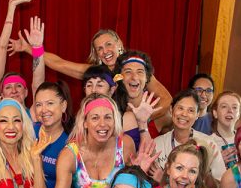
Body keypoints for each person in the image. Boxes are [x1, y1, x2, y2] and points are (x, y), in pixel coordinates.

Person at [13, 28, 173, 129]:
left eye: (109, 44)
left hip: (141, 128)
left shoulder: (135, 69)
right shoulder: (96, 73)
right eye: (99, 48)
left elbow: (166, 100)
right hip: (109, 130)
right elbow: (60, 64)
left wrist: (143, 119)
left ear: (119, 43)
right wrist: (29, 48)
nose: (105, 51)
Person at [52, 95, 135, 188]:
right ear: (85, 123)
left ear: (114, 120)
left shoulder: (125, 145)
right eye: (95, 118)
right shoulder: (69, 155)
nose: (102, 124)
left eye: (108, 117)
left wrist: (142, 175)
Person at [151, 90, 225, 186]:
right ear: (171, 110)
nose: (184, 114)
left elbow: (219, 185)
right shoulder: (157, 144)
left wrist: (205, 170)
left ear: (197, 114)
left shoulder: (208, 144)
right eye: (180, 108)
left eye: (191, 110)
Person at [31, 82, 71, 188]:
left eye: (50, 103)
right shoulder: (29, 132)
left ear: (63, 106)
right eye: (38, 105)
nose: (44, 110)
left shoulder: (70, 143)